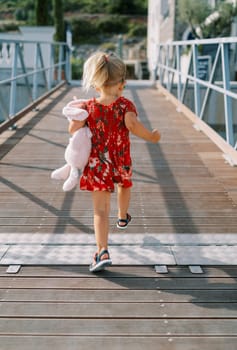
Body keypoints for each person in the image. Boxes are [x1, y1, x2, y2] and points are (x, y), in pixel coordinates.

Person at [68, 51, 161, 272]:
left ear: (96, 84)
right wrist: (151, 136)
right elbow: (133, 125)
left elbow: (72, 129)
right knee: (124, 184)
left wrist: (76, 114)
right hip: (120, 160)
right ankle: (122, 216)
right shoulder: (125, 105)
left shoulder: (88, 107)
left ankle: (102, 251)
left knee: (100, 211)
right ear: (121, 85)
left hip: (98, 164)